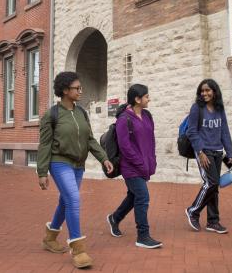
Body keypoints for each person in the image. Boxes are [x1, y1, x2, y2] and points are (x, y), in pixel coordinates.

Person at [37, 71, 113, 269]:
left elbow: (89, 139)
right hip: (59, 162)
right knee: (73, 199)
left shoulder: (81, 113)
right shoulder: (51, 115)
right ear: (64, 90)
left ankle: (50, 238)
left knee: (65, 201)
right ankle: (78, 248)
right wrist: (42, 172)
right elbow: (44, 145)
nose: (80, 91)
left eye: (80, 88)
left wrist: (104, 158)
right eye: (76, 88)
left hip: (78, 165)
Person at [106, 84, 162, 249]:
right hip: (130, 167)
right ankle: (143, 236)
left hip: (144, 165)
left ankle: (114, 218)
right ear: (137, 99)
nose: (148, 99)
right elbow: (125, 147)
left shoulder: (147, 115)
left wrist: (152, 161)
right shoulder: (124, 119)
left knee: (134, 196)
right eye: (146, 96)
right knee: (143, 197)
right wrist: (140, 163)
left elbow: (150, 140)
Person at [185, 79, 232, 234]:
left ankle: (213, 222)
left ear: (214, 91)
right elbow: (191, 131)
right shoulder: (196, 108)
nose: (204, 93)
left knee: (214, 188)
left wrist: (229, 152)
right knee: (211, 183)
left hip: (218, 152)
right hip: (204, 152)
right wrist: (200, 152)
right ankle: (193, 210)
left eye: (207, 90)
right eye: (202, 91)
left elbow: (224, 131)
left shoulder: (219, 109)